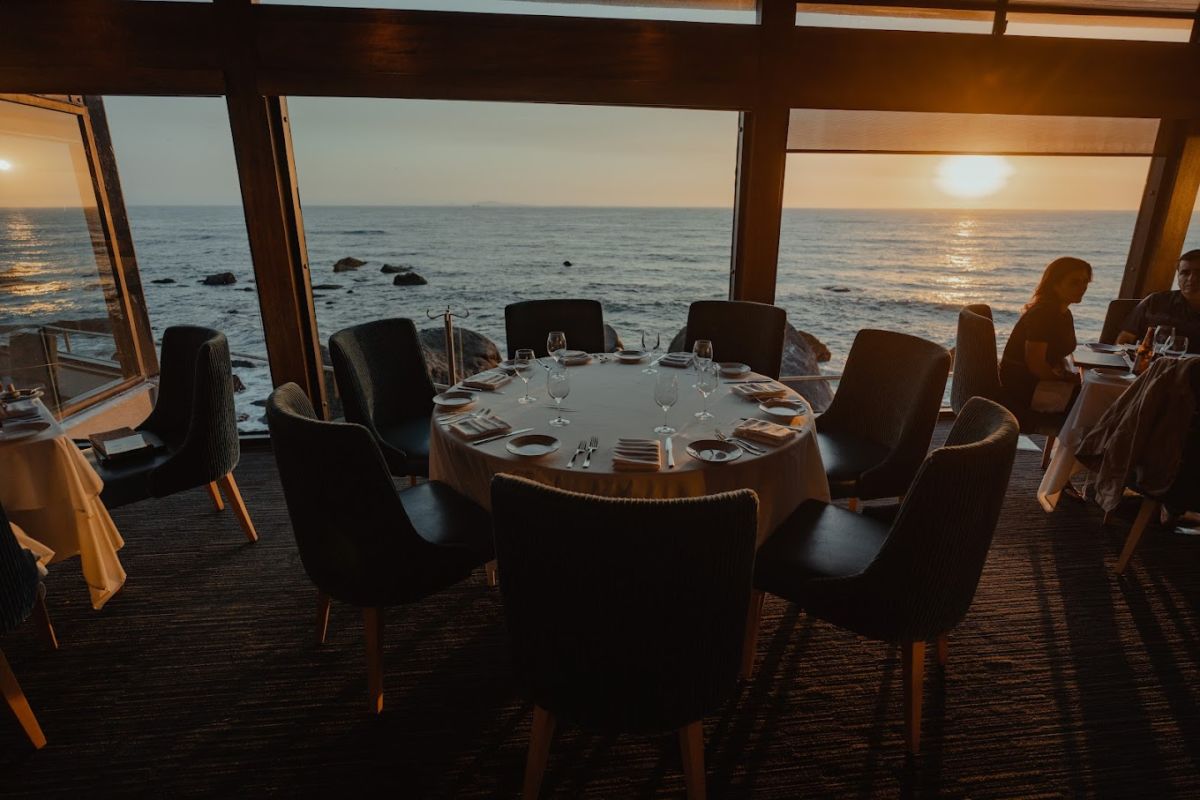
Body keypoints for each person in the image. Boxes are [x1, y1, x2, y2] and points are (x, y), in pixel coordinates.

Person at [999, 256, 1092, 424]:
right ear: (1055, 284)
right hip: (1023, 387)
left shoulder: (1064, 313)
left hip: (1040, 380)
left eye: (1085, 282)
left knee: (1093, 394)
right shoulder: (1043, 314)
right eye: (1074, 282)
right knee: (1092, 402)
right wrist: (1065, 379)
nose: (1082, 287)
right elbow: (1036, 365)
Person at [1116, 249, 1200, 353]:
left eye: (1199, 273)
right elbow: (1125, 338)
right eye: (1185, 273)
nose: (1191, 278)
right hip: (1149, 362)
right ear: (1178, 277)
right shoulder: (1154, 302)